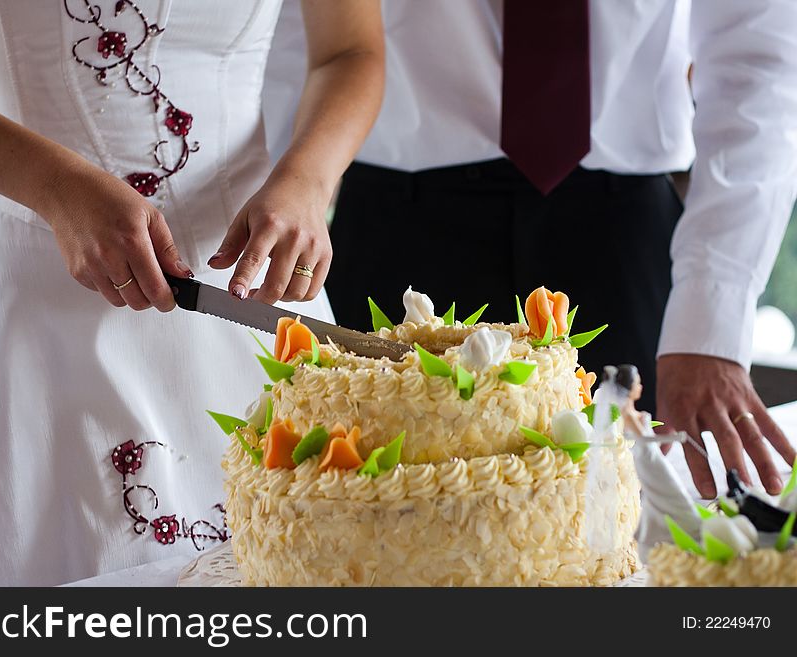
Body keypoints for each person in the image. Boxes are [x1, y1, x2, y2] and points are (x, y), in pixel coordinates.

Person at [0, 0, 383, 585]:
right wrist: (55, 186)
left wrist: (308, 183)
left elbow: (352, 52)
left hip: (257, 288)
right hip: (49, 293)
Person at [263, 0, 797, 498]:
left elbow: (760, 59)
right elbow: (285, 41)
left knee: (623, 537)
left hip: (623, 245)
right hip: (395, 237)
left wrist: (710, 322)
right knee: (381, 534)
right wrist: (282, 196)